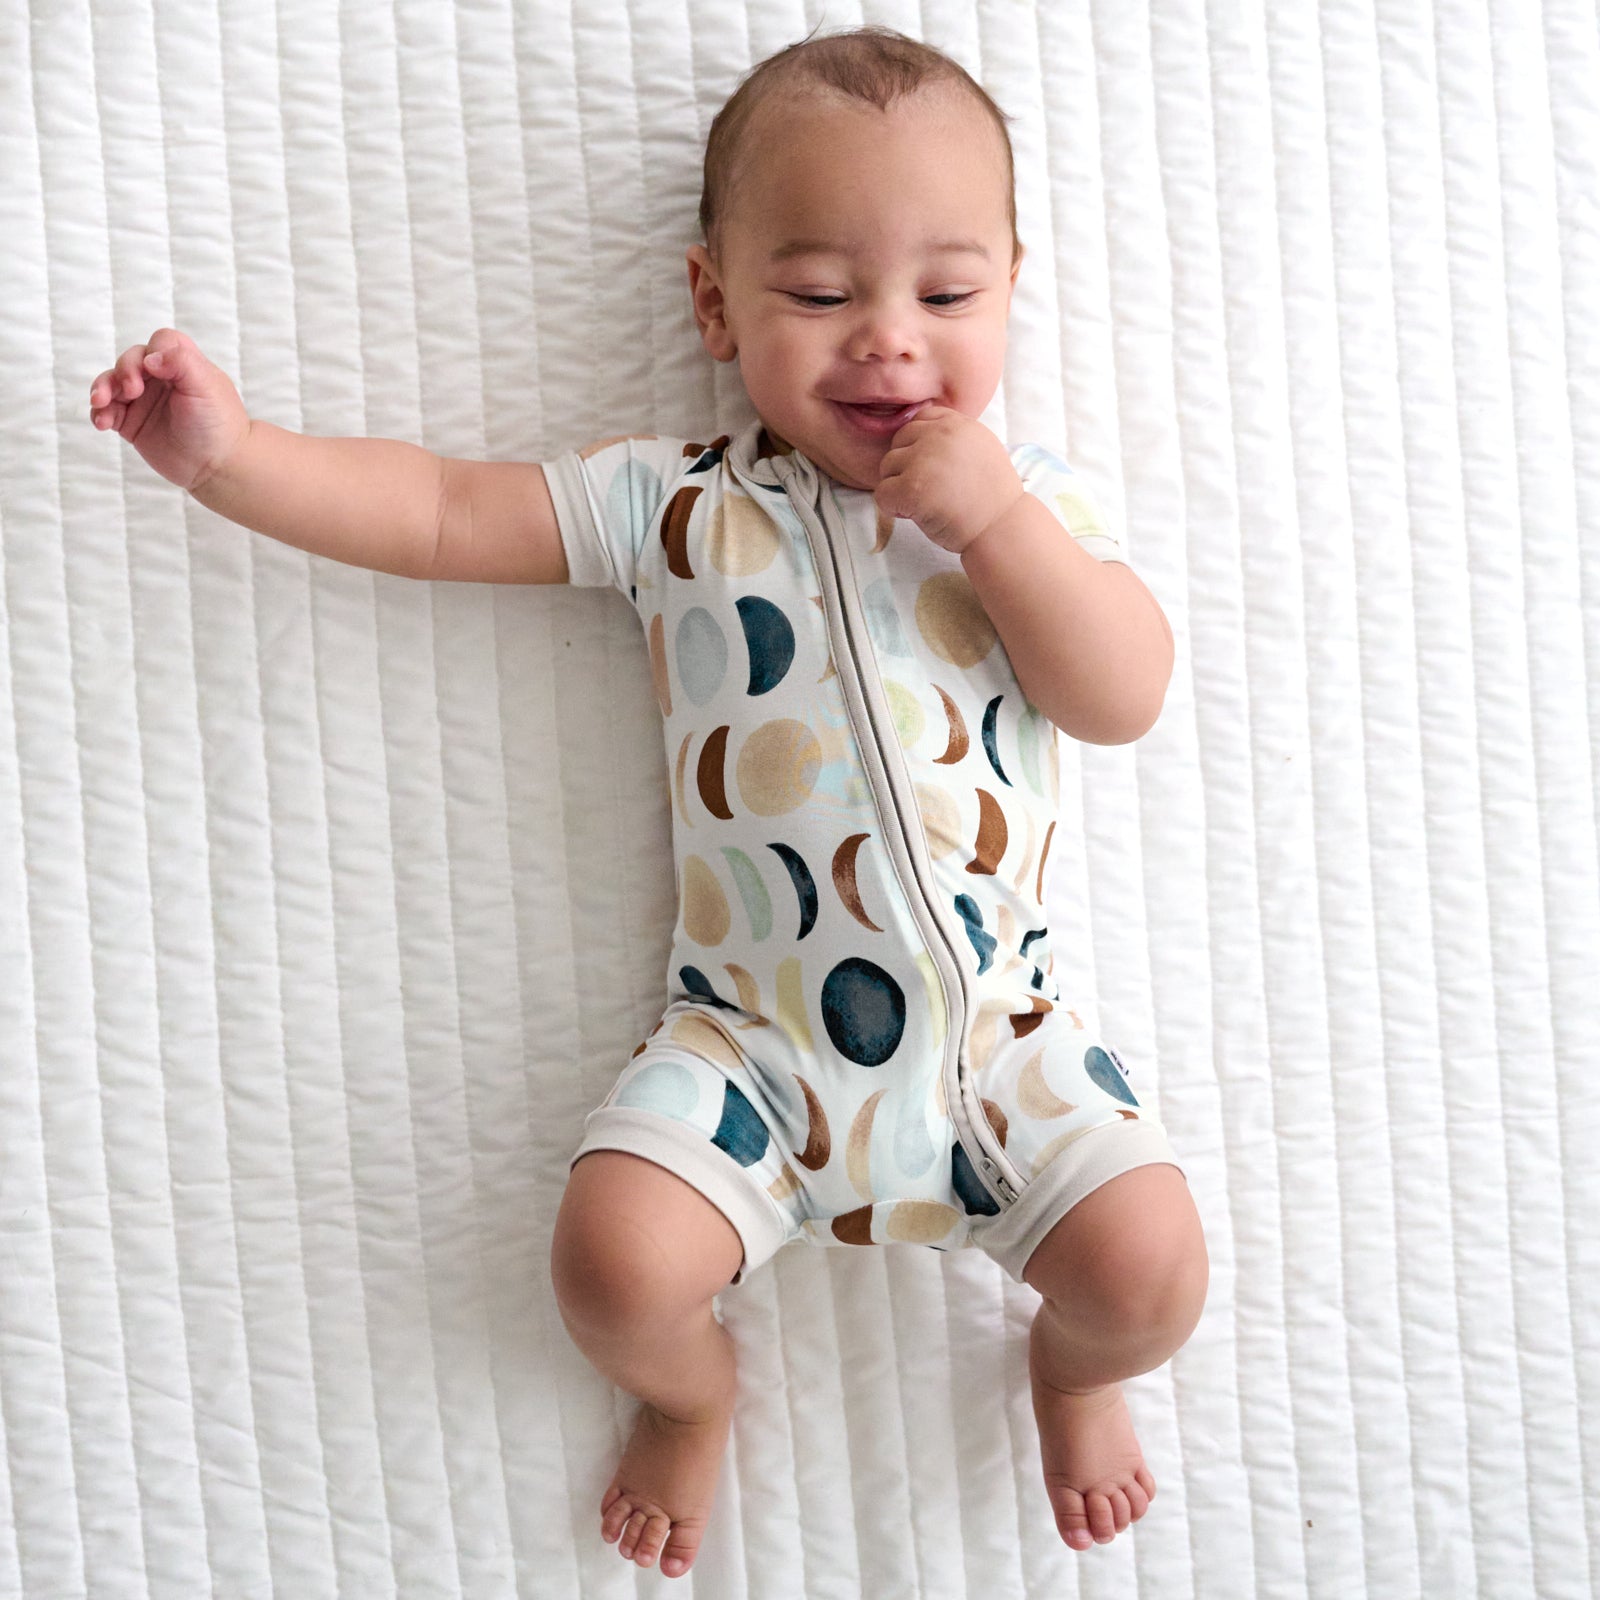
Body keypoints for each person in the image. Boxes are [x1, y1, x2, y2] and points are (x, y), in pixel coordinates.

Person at [90, 24, 1207, 1582]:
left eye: (946, 296)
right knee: (611, 1270)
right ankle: (692, 1398)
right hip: (747, 1044)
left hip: (998, 1044)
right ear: (714, 303)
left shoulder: (1043, 511)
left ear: (1011, 284)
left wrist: (1003, 527)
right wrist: (233, 460)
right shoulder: (674, 502)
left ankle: (1074, 1369)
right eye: (819, 295)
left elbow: (1124, 691)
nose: (889, 342)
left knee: (1155, 1274)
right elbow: (433, 511)